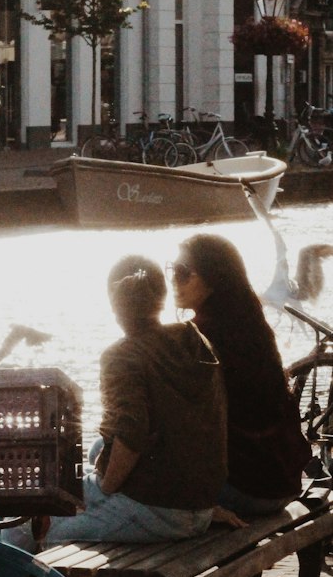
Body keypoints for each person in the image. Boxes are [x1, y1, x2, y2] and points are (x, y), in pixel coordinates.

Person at [27, 255, 229, 548]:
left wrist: (106, 488)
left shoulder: (121, 356)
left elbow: (132, 433)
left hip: (157, 510)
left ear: (114, 304)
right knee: (87, 467)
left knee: (31, 528)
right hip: (198, 505)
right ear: (162, 296)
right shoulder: (193, 338)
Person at [171, 234, 312, 518]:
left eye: (182, 273)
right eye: (171, 271)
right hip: (282, 484)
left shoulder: (198, 336)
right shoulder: (252, 323)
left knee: (107, 463)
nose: (174, 280)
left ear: (212, 278)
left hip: (243, 491)